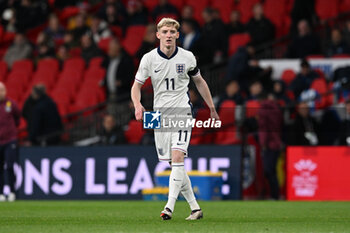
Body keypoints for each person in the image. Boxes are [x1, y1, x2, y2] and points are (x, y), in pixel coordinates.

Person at [131, 18, 219, 220]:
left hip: (181, 111)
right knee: (173, 164)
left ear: (178, 35)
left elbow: (200, 81)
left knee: (178, 157)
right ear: (158, 35)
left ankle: (168, 207)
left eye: (172, 31)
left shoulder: (187, 57)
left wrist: (211, 107)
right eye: (165, 31)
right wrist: (138, 105)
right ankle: (195, 209)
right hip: (157, 114)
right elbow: (136, 86)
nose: (169, 35)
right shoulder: (148, 59)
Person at [257, 92, 282, 200]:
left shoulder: (263, 110)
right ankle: (275, 194)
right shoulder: (276, 109)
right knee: (272, 170)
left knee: (268, 171)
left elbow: (263, 129)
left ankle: (273, 195)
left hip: (269, 144)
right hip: (277, 143)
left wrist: (263, 143)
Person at [0, 82, 20, 202]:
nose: (1, 92)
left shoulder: (11, 104)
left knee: (10, 166)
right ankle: (1, 193)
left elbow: (18, 118)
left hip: (9, 140)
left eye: (2, 90)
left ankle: (12, 192)